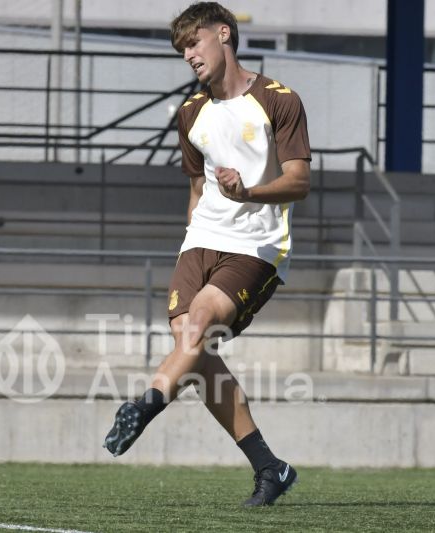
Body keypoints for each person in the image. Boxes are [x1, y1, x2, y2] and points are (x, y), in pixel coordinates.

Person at [103, 1, 311, 507]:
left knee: (196, 328)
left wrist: (248, 194)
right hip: (200, 242)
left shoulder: (278, 100)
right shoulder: (191, 112)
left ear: (224, 34)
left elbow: (300, 181)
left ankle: (145, 406)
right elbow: (197, 185)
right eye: (182, 50)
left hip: (257, 245)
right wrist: (192, 235)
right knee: (193, 354)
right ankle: (271, 468)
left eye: (194, 43)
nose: (189, 56)